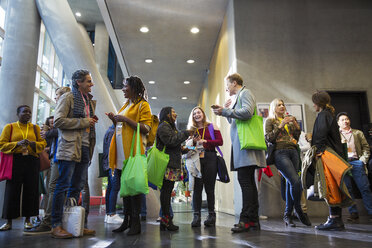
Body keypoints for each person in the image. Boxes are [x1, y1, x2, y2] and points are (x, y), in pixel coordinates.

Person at [212, 73, 266, 233]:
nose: (226, 88)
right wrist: (227, 110)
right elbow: (234, 119)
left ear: (234, 83)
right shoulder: (239, 97)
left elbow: (248, 112)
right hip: (241, 145)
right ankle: (253, 221)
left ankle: (246, 220)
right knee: (248, 182)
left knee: (245, 181)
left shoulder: (245, 93)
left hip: (245, 146)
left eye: (227, 85)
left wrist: (226, 112)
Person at [51, 70, 97, 238]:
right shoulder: (68, 97)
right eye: (89, 81)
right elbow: (58, 121)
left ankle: (73, 224)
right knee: (63, 186)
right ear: (79, 82)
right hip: (70, 148)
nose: (91, 84)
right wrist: (84, 122)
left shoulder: (88, 101)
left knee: (77, 187)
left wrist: (89, 121)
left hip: (85, 147)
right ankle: (56, 225)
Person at [107, 76, 152, 235]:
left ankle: (135, 223)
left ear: (133, 87)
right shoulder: (126, 104)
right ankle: (126, 221)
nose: (123, 89)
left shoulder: (143, 105)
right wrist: (115, 120)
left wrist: (124, 119)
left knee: (134, 189)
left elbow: (146, 128)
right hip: (120, 151)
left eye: (125, 86)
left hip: (132, 152)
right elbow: (120, 127)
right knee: (125, 189)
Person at [24, 87, 71, 235]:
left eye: (57, 95)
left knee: (54, 187)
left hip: (62, 154)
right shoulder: (63, 109)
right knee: (53, 187)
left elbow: (66, 128)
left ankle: (50, 221)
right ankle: (52, 220)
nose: (55, 98)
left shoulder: (66, 109)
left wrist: (48, 132)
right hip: (57, 154)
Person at [265, 99, 311, 227]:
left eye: (283, 104)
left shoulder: (289, 121)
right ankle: (299, 210)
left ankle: (287, 215)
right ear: (274, 107)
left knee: (292, 182)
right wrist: (281, 125)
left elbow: (295, 138)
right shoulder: (270, 121)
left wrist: (296, 126)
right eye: (279, 105)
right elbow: (269, 138)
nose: (282, 106)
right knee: (296, 181)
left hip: (293, 152)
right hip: (280, 152)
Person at [0, 105, 46, 231]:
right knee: (12, 190)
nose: (28, 114)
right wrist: (17, 144)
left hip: (32, 160)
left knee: (31, 190)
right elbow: (1, 145)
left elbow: (43, 144)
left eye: (29, 112)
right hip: (15, 160)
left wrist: (33, 144)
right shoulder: (10, 127)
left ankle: (28, 220)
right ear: (17, 114)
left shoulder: (35, 128)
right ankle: (8, 221)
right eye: (24, 112)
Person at [310, 91, 351, 231]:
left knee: (330, 186)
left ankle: (335, 220)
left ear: (319, 102)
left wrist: (318, 151)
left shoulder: (323, 115)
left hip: (326, 154)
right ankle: (335, 219)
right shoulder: (328, 114)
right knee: (333, 186)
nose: (313, 104)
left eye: (314, 102)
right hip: (331, 153)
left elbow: (320, 135)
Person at [156, 107, 191, 231]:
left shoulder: (169, 126)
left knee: (167, 191)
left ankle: (165, 220)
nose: (175, 114)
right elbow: (170, 141)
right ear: (167, 114)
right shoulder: (163, 126)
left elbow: (172, 144)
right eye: (173, 112)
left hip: (171, 163)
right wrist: (186, 133)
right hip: (167, 164)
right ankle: (166, 219)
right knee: (166, 192)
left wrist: (183, 150)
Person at [188, 107, 223, 227]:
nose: (197, 115)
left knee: (210, 188)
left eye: (199, 112)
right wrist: (194, 143)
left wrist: (205, 141)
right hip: (196, 158)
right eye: (194, 113)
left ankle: (211, 216)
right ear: (192, 117)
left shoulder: (212, 126)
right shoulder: (191, 131)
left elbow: (220, 141)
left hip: (210, 158)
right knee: (197, 188)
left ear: (203, 114)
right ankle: (196, 216)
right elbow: (188, 148)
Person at [337, 112, 372, 222]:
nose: (345, 121)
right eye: (342, 120)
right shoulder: (336, 135)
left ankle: (371, 212)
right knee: (348, 190)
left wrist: (363, 161)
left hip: (357, 162)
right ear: (338, 123)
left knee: (365, 188)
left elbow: (366, 148)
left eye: (347, 119)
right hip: (343, 164)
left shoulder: (358, 133)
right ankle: (353, 213)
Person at [103, 124, 123, 224]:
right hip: (113, 164)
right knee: (114, 187)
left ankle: (108, 213)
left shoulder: (109, 130)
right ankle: (111, 214)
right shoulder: (113, 132)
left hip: (109, 163)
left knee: (111, 188)